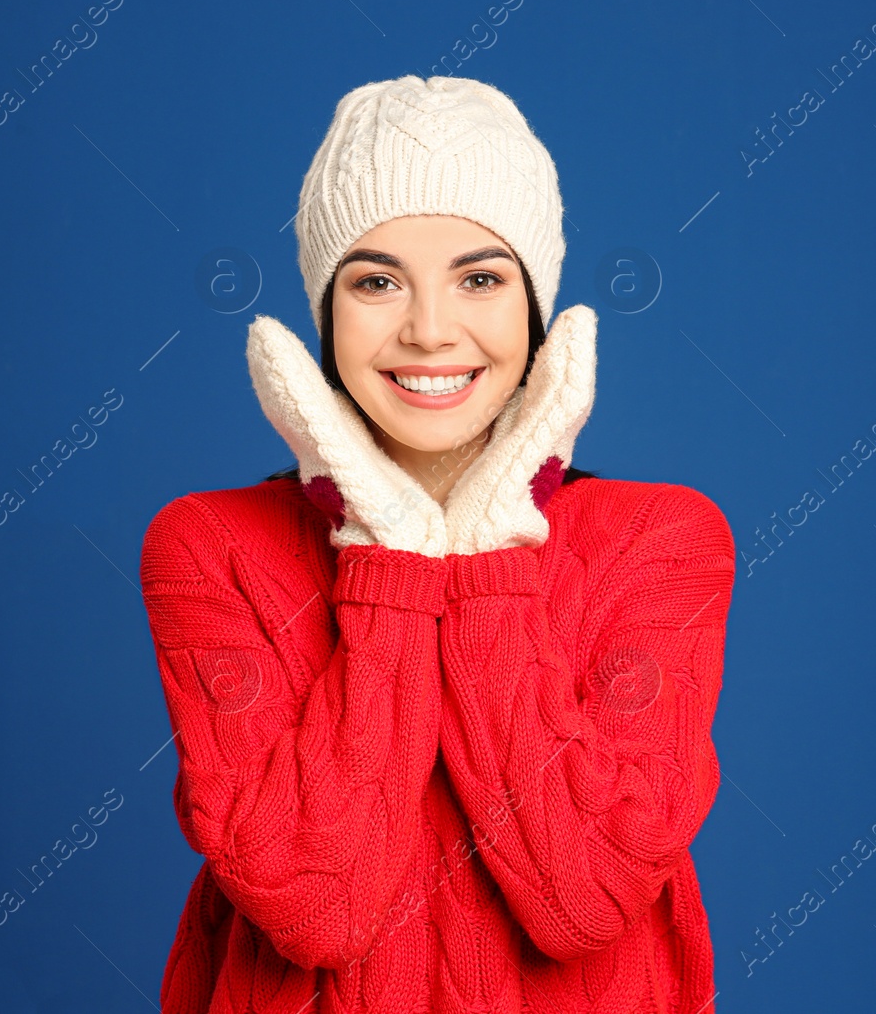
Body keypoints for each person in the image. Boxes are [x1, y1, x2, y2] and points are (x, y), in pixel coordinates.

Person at [139, 74, 736, 1012]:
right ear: (323, 314)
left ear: (535, 308)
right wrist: (395, 550)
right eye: (376, 281)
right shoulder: (212, 547)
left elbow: (584, 895)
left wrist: (490, 548)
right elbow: (315, 906)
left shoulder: (661, 540)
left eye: (481, 278)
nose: (427, 329)